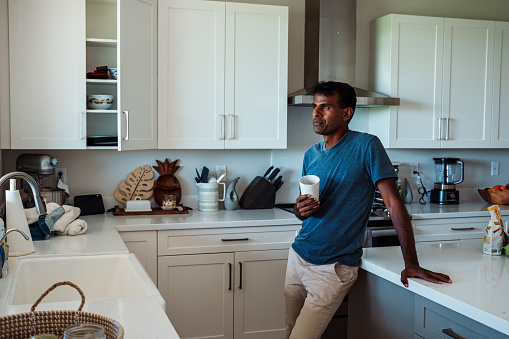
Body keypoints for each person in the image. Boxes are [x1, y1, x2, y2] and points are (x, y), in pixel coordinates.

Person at [284, 81, 451, 339]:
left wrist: (411, 263)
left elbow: (394, 204)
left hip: (332, 268)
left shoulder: (366, 146)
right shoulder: (311, 155)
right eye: (315, 107)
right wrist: (299, 209)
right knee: (289, 332)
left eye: (325, 107)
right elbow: (306, 209)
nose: (316, 114)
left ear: (347, 112)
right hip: (298, 257)